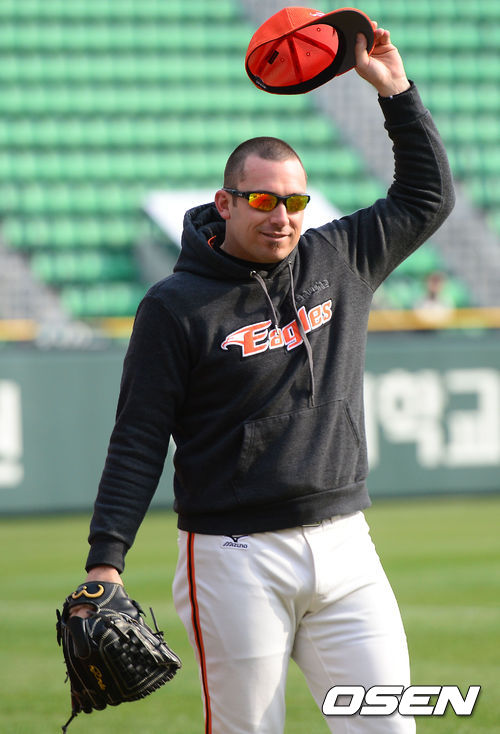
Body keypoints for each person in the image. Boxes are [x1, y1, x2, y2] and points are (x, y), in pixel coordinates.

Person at [71, 26, 455, 734]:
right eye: (262, 201)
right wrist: (107, 562)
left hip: (346, 545)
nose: (281, 217)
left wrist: (395, 92)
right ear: (225, 203)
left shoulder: (339, 258)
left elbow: (427, 196)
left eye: (295, 202)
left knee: (389, 726)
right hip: (233, 556)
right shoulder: (175, 306)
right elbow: (139, 437)